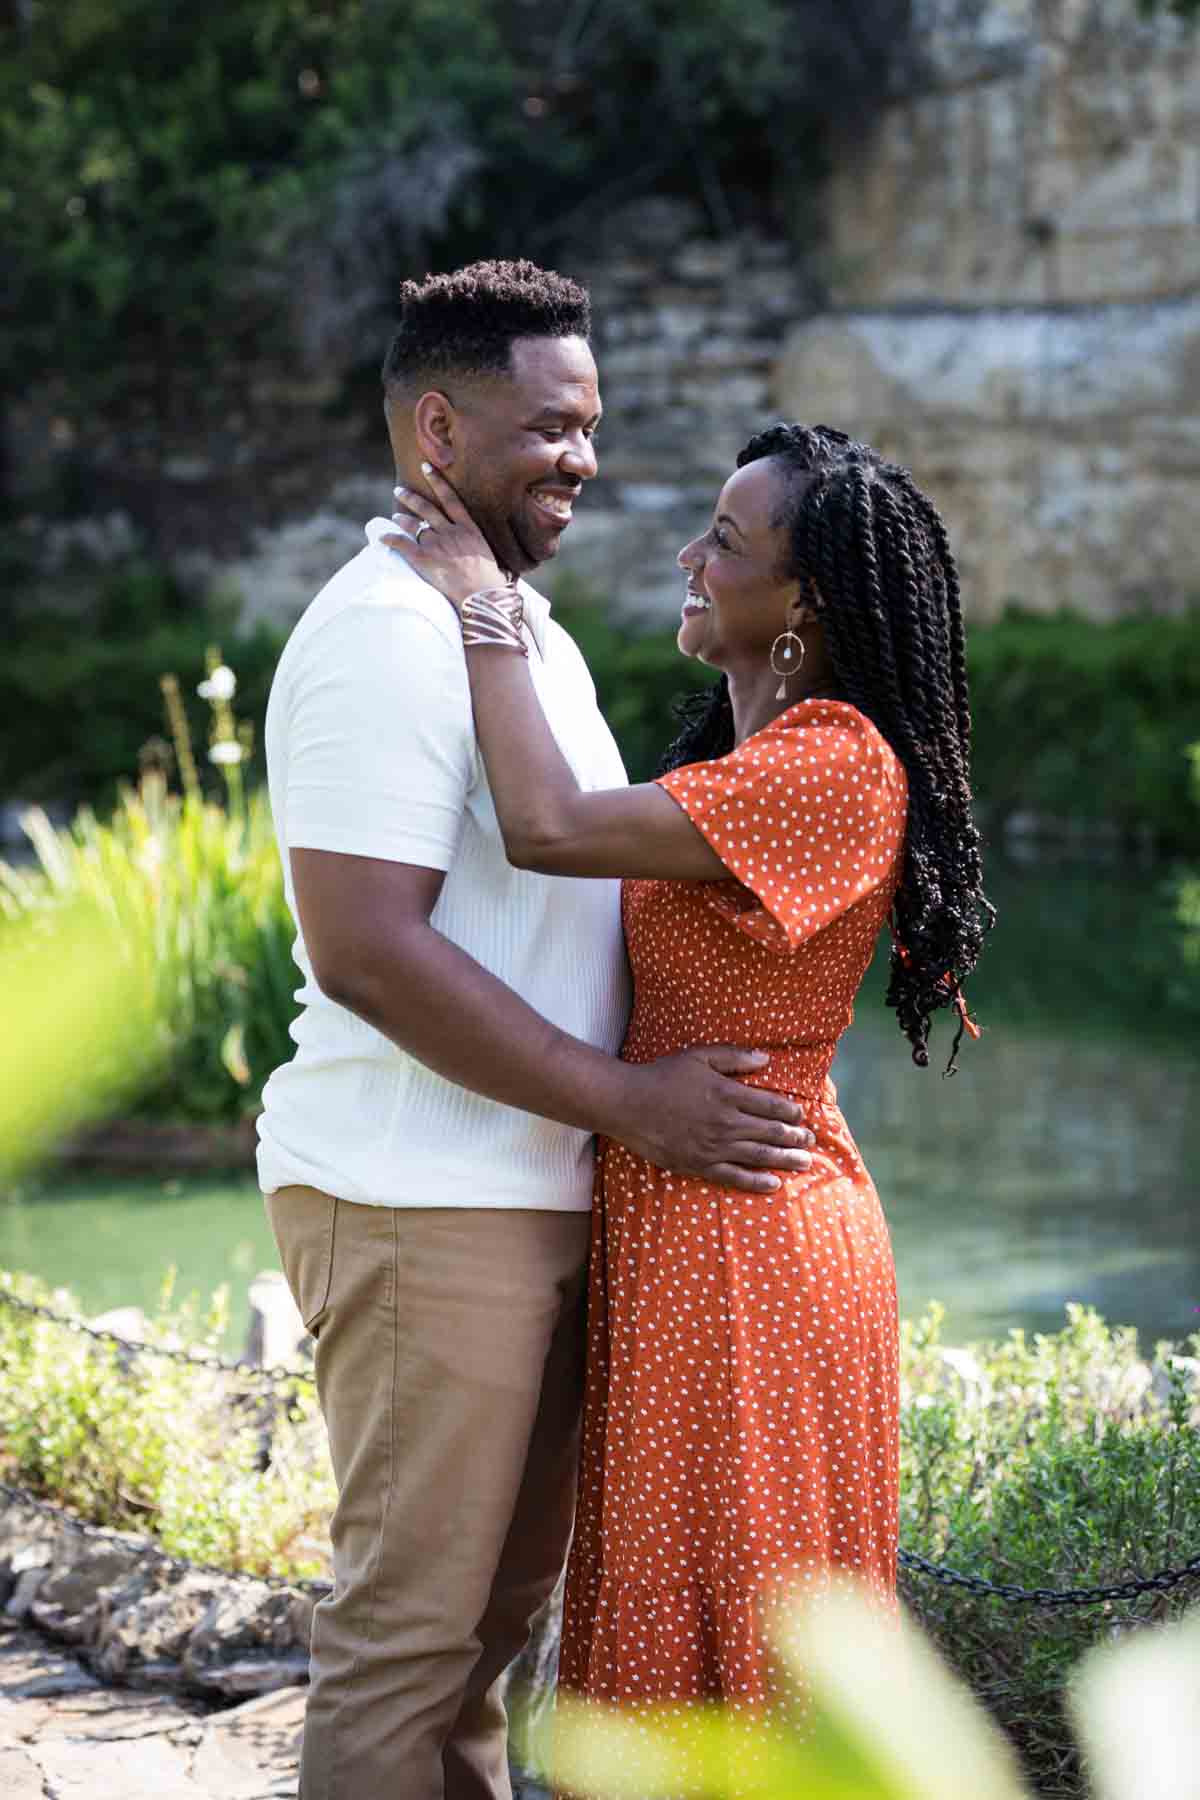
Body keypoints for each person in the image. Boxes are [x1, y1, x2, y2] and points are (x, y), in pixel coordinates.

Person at [257, 261, 814, 1800]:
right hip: (417, 1195)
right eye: (553, 428)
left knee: (489, 1642)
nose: (585, 458)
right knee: (408, 1644)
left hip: (531, 1189)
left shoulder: (517, 631)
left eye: (595, 427)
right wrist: (628, 1101)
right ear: (437, 427)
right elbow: (367, 950)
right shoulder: (384, 631)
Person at [387, 421, 993, 1736]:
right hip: (693, 1216)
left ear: (805, 603)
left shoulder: (834, 762)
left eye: (724, 540)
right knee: (685, 1605)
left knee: (735, 1613)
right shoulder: (749, 763)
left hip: (747, 1238)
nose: (688, 556)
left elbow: (546, 827)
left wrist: (489, 613)